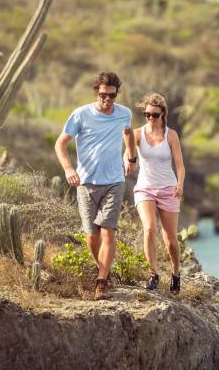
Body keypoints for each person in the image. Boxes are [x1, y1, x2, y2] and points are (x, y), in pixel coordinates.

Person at [54, 71, 138, 300]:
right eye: (103, 95)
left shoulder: (124, 114)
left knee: (108, 231)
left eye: (111, 95)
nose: (107, 100)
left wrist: (131, 157)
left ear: (116, 94)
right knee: (91, 236)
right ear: (96, 93)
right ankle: (103, 268)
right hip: (86, 182)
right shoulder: (81, 115)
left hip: (114, 181)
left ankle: (101, 280)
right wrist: (69, 169)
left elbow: (128, 133)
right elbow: (60, 144)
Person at [131, 93, 185, 294]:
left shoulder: (171, 135)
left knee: (170, 240)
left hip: (168, 189)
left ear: (163, 114)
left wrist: (180, 184)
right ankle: (153, 274)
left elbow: (180, 165)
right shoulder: (137, 134)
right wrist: (129, 162)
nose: (150, 118)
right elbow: (127, 155)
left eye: (154, 114)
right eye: (147, 114)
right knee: (149, 229)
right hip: (145, 188)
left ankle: (176, 272)